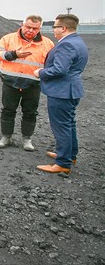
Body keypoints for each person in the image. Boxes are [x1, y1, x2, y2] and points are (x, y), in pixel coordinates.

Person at [34, 14, 89, 175]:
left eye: (55, 27)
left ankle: (63, 163)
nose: (54, 30)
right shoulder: (78, 42)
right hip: (71, 89)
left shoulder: (66, 45)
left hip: (62, 91)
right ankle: (69, 155)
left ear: (63, 28)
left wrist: (40, 72)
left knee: (61, 126)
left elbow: (59, 69)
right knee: (69, 124)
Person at [0, 15, 54, 151]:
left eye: (34, 28)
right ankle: (6, 137)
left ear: (39, 29)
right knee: (8, 110)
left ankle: (27, 139)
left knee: (30, 112)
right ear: (22, 25)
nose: (30, 30)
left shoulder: (48, 43)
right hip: (10, 82)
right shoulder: (8, 38)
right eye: (28, 27)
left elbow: (52, 64)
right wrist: (13, 54)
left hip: (33, 85)